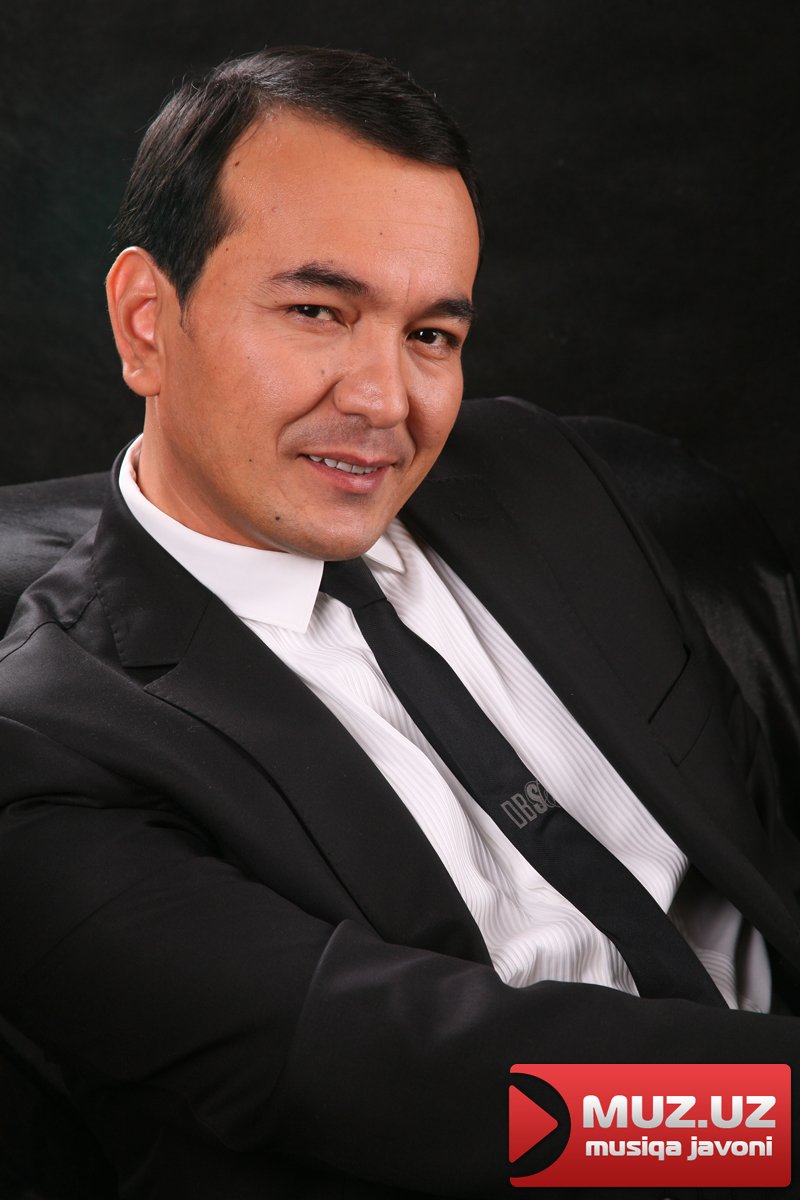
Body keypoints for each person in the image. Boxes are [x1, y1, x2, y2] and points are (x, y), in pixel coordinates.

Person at [0, 45, 798, 1200]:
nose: (385, 402)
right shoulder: (44, 746)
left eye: (430, 334)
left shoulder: (557, 477)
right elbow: (448, 1092)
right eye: (317, 311)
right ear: (145, 323)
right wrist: (774, 1126)